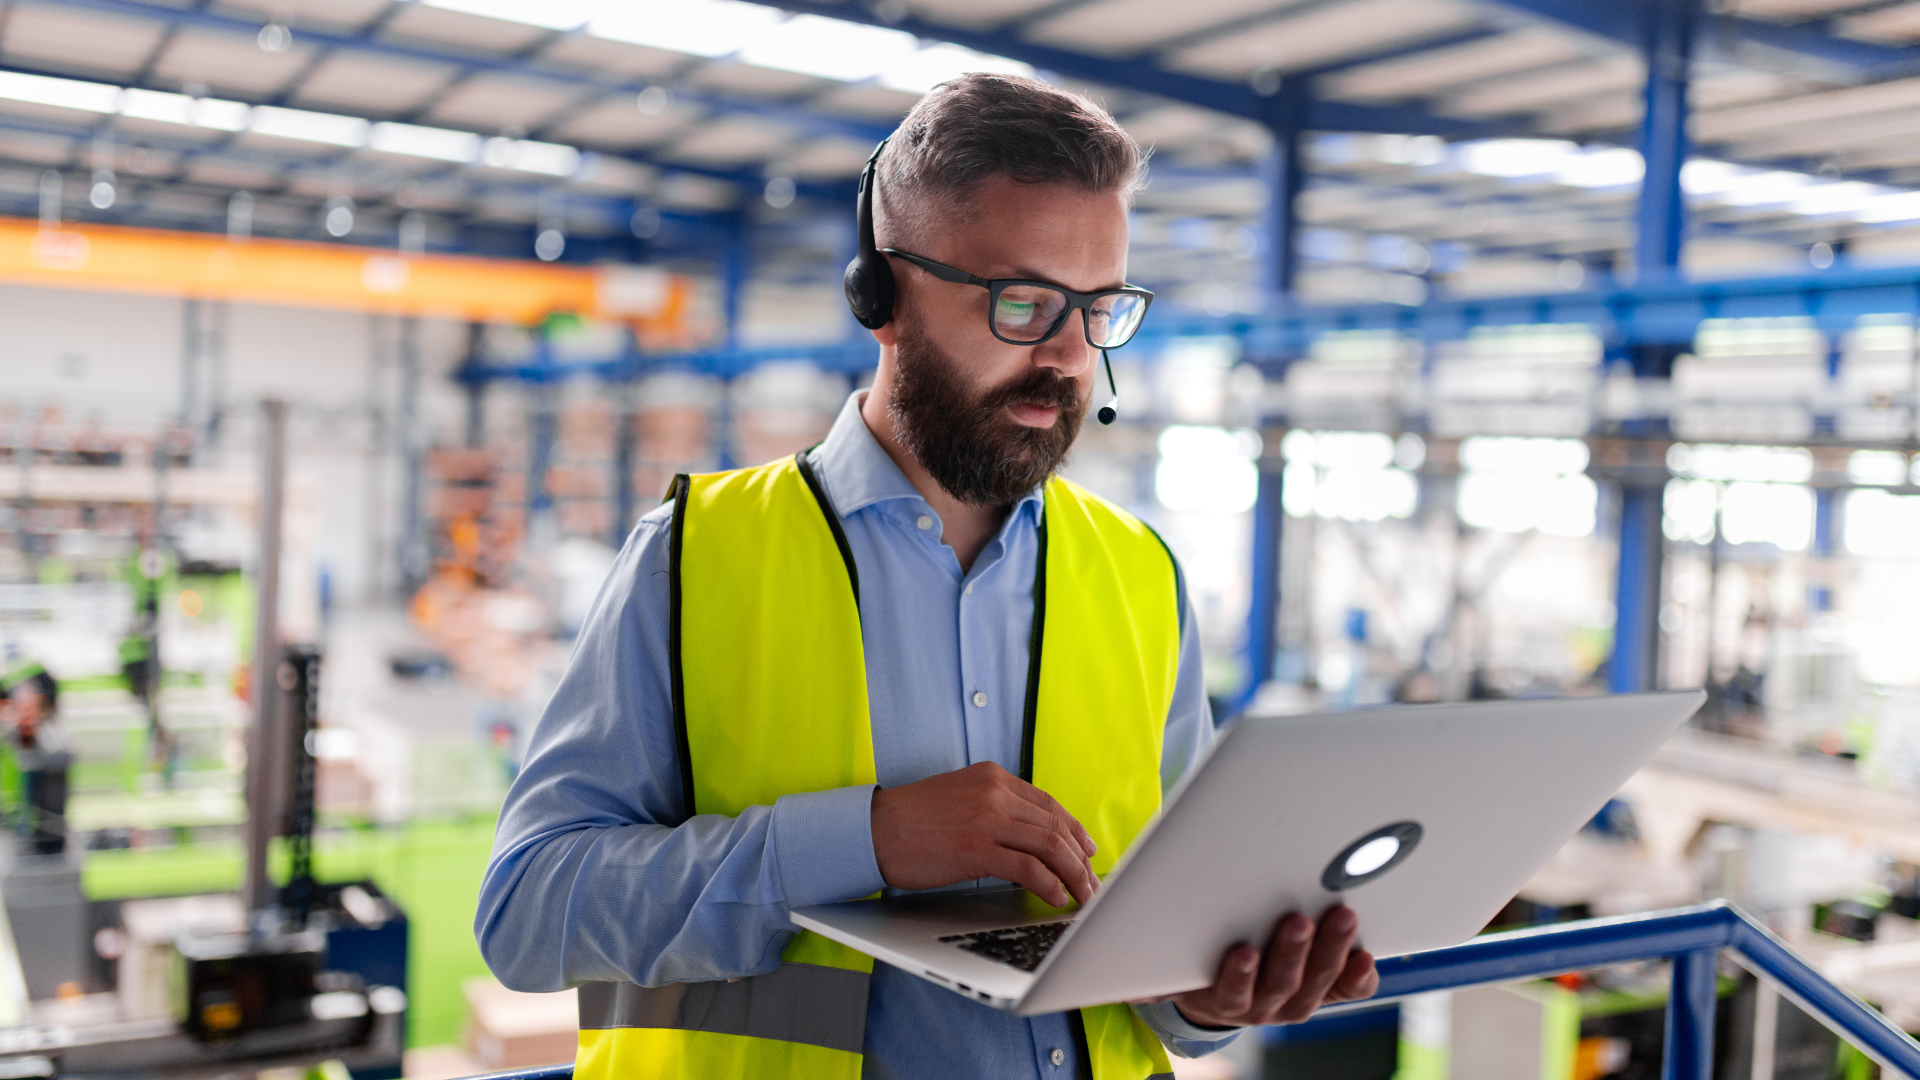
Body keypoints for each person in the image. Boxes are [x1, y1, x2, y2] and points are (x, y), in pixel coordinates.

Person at [476, 73, 1378, 1080]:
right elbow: (528, 913)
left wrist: (1210, 998)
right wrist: (861, 842)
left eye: (1101, 307)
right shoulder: (696, 556)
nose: (1070, 357)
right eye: (1024, 302)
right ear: (884, 298)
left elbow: (1165, 938)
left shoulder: (1141, 578)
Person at [3, 668, 73, 856]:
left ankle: (37, 841)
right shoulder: (27, 707)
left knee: (37, 808)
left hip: (37, 767)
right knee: (31, 808)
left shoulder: (41, 716)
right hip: (31, 767)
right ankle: (30, 839)